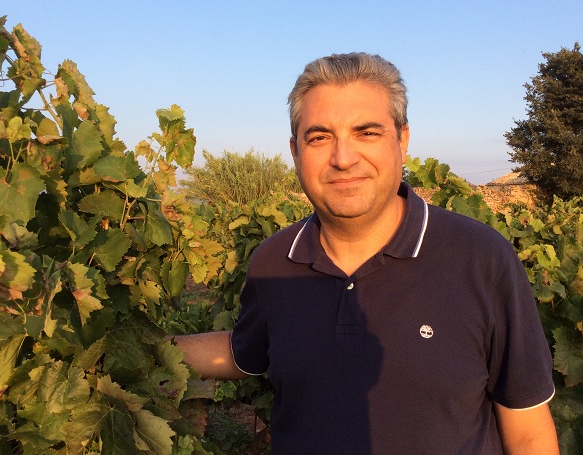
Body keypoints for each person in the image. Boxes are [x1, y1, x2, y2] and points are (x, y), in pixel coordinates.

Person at [173, 52, 559, 454]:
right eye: (319, 137)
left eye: (366, 133)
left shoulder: (482, 259)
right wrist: (138, 348)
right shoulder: (273, 261)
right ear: (295, 152)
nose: (343, 158)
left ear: (402, 140)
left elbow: (529, 432)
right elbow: (244, 351)